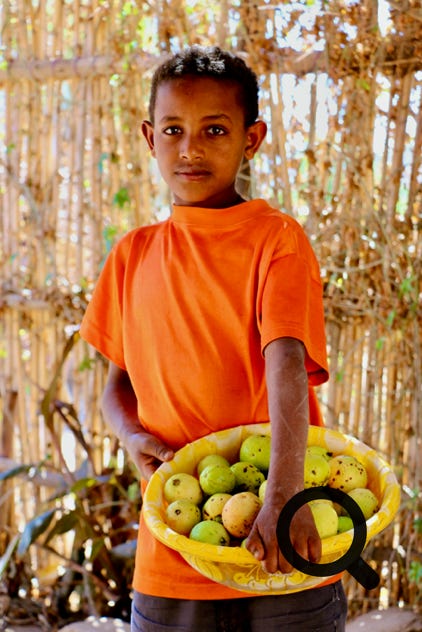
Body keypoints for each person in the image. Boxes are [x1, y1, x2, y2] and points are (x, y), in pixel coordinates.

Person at [80, 46, 347, 632]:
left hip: (278, 542)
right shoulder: (132, 255)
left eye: (216, 129)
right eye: (174, 129)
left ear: (252, 139)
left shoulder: (275, 239)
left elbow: (286, 365)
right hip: (175, 546)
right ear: (151, 138)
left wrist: (284, 493)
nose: (191, 148)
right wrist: (132, 436)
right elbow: (112, 388)